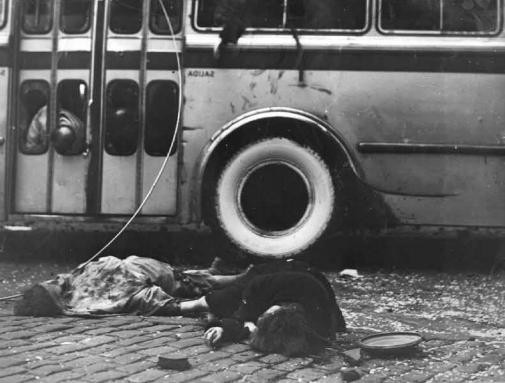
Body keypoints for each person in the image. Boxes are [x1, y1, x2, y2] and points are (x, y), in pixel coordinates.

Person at [157, 260, 347, 356]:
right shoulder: (263, 287)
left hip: (303, 281)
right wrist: (225, 326)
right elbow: (243, 315)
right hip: (272, 273)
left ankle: (216, 278)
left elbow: (251, 327)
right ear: (273, 309)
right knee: (218, 299)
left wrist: (232, 330)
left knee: (233, 302)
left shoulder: (318, 326)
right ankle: (180, 302)